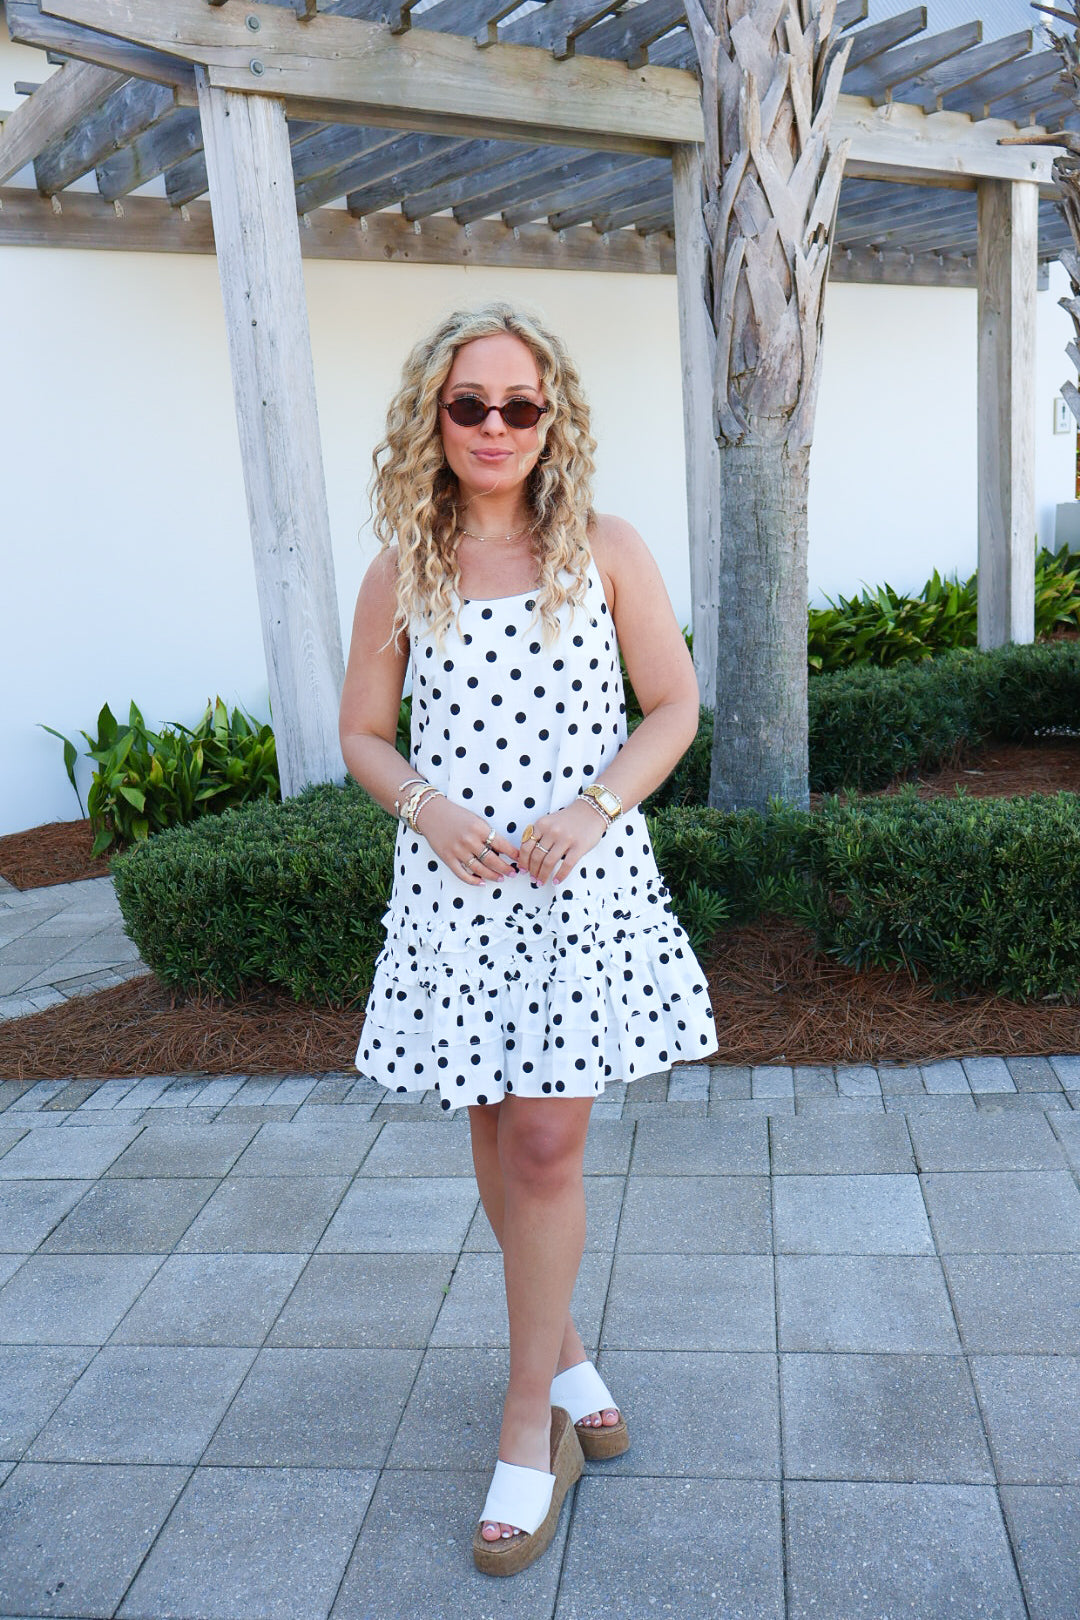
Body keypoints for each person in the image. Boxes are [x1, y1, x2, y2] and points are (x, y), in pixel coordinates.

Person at [338, 300, 718, 1576]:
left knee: (547, 1141)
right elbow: (363, 734)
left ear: (553, 421)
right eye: (470, 405)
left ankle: (526, 1427)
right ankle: (568, 1360)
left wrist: (594, 809)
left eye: (519, 405)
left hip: (578, 895)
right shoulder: (403, 568)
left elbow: (673, 706)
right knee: (501, 1134)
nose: (494, 426)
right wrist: (428, 809)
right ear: (434, 419)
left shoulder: (604, 548)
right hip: (460, 901)